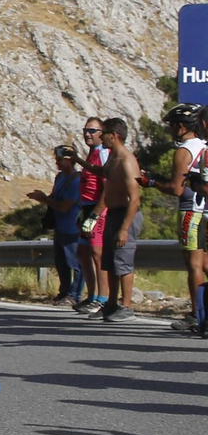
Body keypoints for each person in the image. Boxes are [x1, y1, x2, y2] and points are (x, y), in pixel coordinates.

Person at [144, 105, 206, 334]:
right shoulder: (204, 146)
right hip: (205, 209)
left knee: (194, 265)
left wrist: (150, 183)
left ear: (180, 127)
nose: (169, 131)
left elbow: (176, 189)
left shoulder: (183, 151)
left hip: (191, 211)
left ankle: (197, 315)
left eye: (171, 126)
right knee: (206, 263)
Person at [94, 118, 143, 322]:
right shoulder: (113, 157)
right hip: (113, 213)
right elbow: (102, 172)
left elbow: (135, 199)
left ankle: (127, 305)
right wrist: (77, 160)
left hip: (125, 215)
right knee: (111, 262)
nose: (100, 136)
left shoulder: (127, 161)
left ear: (113, 136)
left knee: (123, 261)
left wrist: (124, 228)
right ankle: (112, 303)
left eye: (103, 133)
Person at [28, 146, 84, 305]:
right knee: (62, 263)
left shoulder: (76, 180)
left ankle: (75, 295)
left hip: (72, 228)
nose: (57, 163)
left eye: (59, 159)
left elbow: (65, 206)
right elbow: (55, 198)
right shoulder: (60, 177)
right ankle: (64, 291)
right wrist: (45, 198)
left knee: (75, 263)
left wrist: (44, 199)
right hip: (60, 227)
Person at [73, 117, 110, 313]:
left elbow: (107, 186)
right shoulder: (91, 154)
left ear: (102, 133)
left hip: (98, 208)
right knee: (83, 252)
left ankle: (103, 298)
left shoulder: (103, 153)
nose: (87, 134)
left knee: (97, 253)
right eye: (85, 130)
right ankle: (93, 294)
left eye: (92, 130)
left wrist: (96, 213)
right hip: (86, 207)